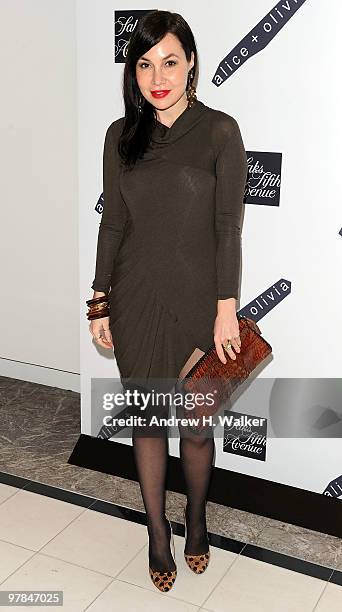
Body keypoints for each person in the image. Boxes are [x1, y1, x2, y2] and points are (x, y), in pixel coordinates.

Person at [87, 10, 247, 593]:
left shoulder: (221, 132)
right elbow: (114, 225)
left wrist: (225, 305)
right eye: (145, 63)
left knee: (197, 429)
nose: (158, 75)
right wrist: (100, 299)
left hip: (201, 304)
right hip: (133, 295)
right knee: (150, 424)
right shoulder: (120, 135)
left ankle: (196, 519)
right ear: (133, 72)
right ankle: (157, 535)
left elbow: (229, 226)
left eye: (170, 62)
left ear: (192, 65)